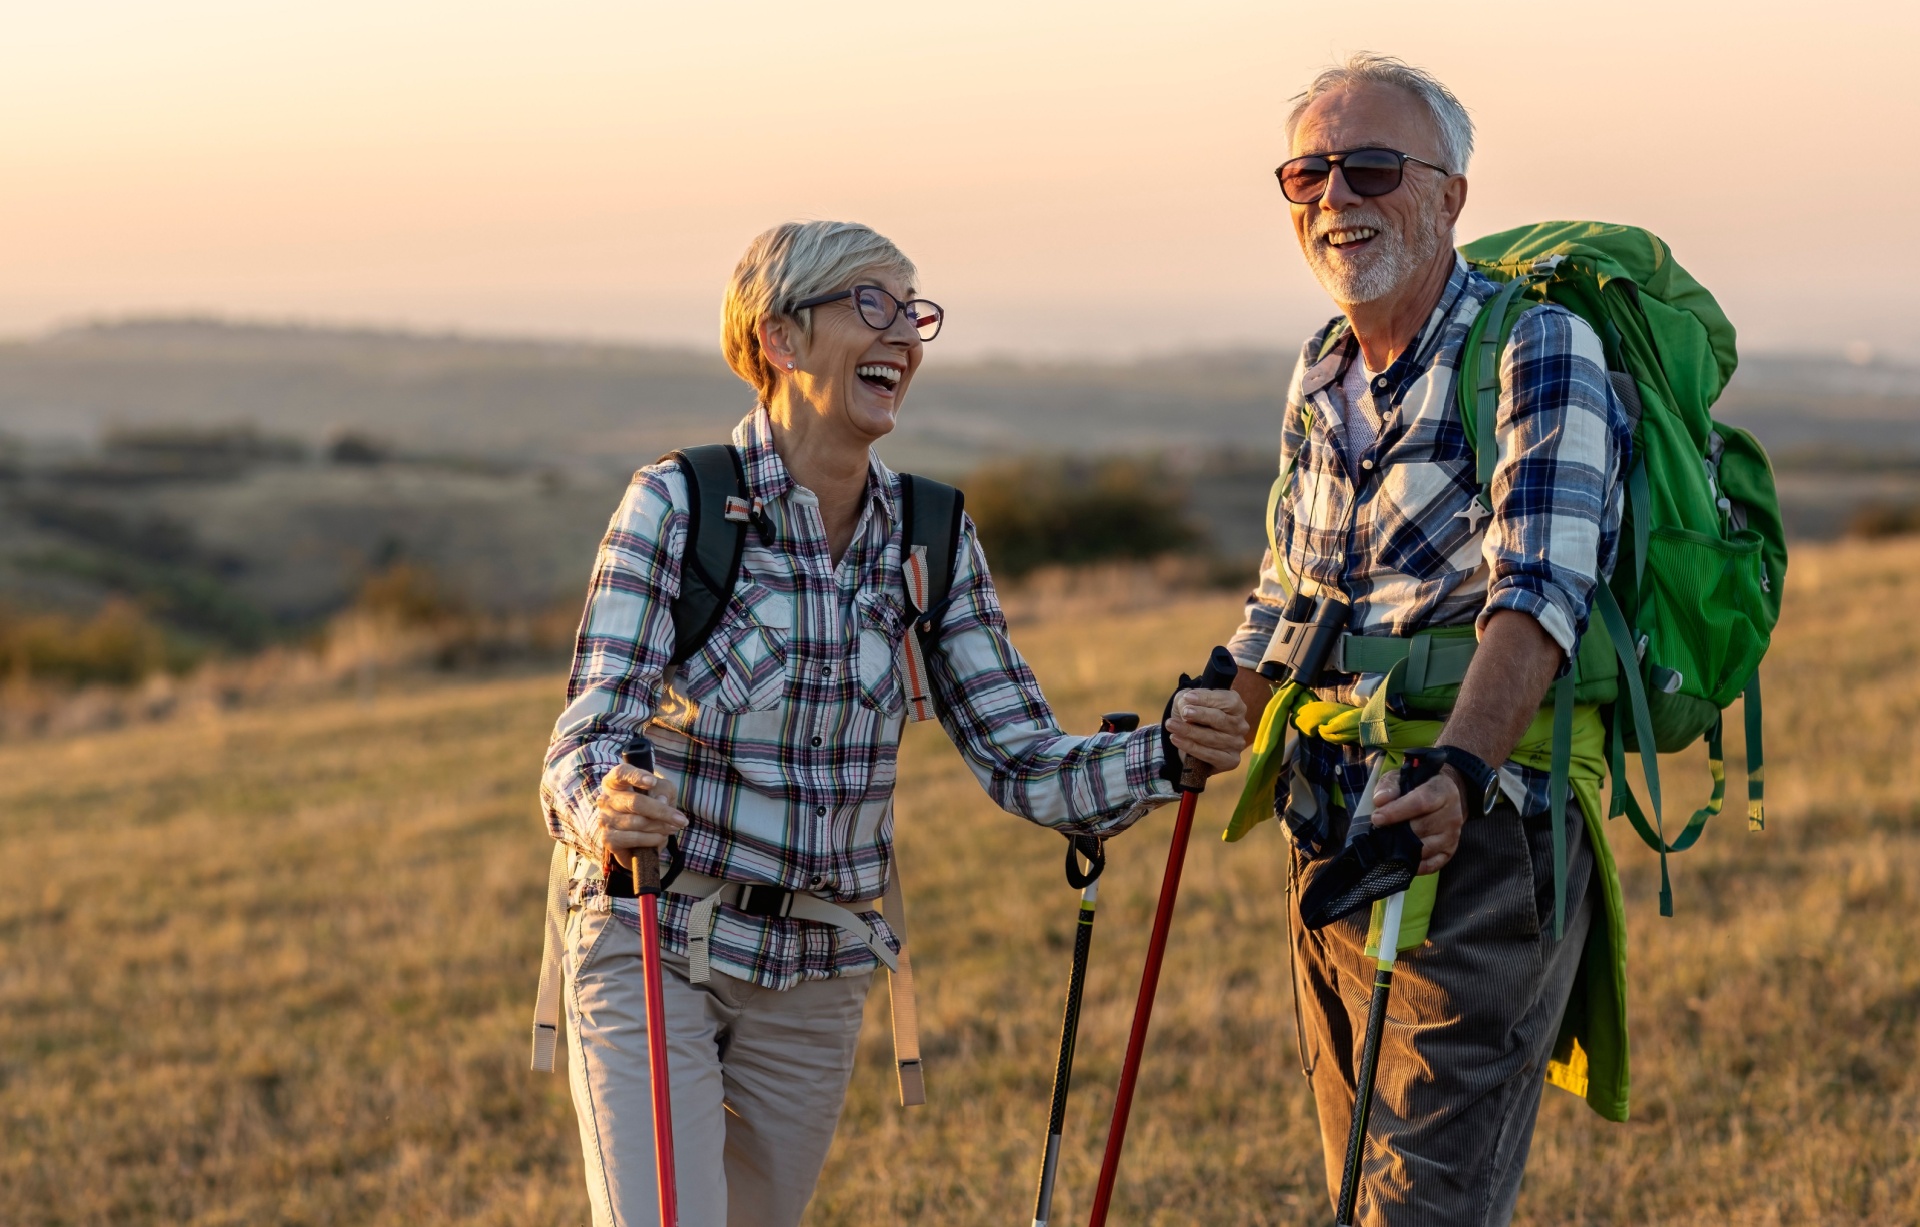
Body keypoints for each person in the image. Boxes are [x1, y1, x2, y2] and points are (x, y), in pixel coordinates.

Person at [539, 219, 1248, 1227]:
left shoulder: (932, 534)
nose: (905, 338)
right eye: (872, 306)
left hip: (817, 972)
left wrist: (1166, 754)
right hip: (655, 940)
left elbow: (1023, 761)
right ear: (781, 338)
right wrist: (603, 807)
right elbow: (588, 732)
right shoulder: (678, 504)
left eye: (915, 315)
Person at [1222, 56, 1631, 1225]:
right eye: (1308, 171)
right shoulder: (1323, 366)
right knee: (1356, 1187)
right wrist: (1207, 715)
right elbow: (1289, 593)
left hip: (1481, 835)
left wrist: (1460, 772)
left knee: (1421, 1206)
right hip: (1331, 827)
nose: (1334, 197)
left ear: (1451, 195)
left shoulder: (1536, 347)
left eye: (1372, 167)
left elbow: (1540, 594)